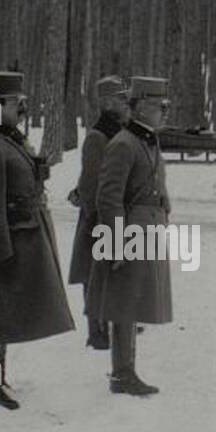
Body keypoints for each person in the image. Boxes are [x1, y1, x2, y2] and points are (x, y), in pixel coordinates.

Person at [0, 70, 75, 408]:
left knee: (6, 317)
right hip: (7, 241)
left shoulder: (8, 139)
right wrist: (1, 253)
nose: (23, 109)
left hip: (23, 235)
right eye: (16, 103)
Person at [86, 76, 173, 395]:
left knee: (135, 303)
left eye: (166, 106)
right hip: (130, 232)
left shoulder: (147, 140)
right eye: (158, 107)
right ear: (140, 108)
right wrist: (117, 243)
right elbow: (108, 198)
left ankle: (127, 370)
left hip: (147, 228)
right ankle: (122, 373)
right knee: (124, 304)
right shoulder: (123, 143)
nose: (164, 112)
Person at [69, 75, 131, 351]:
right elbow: (91, 180)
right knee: (92, 275)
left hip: (111, 211)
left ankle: (112, 322)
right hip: (97, 215)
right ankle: (95, 331)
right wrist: (95, 213)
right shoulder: (97, 136)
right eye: (120, 98)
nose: (125, 103)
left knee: (109, 272)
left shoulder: (119, 132)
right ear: (107, 103)